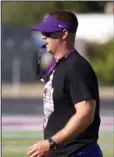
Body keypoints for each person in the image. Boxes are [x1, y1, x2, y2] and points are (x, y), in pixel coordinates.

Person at [27, 9, 103, 157]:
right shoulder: (58, 65)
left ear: (64, 34)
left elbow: (85, 115)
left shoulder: (77, 68)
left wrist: (51, 143)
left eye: (48, 33)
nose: (43, 37)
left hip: (78, 153)